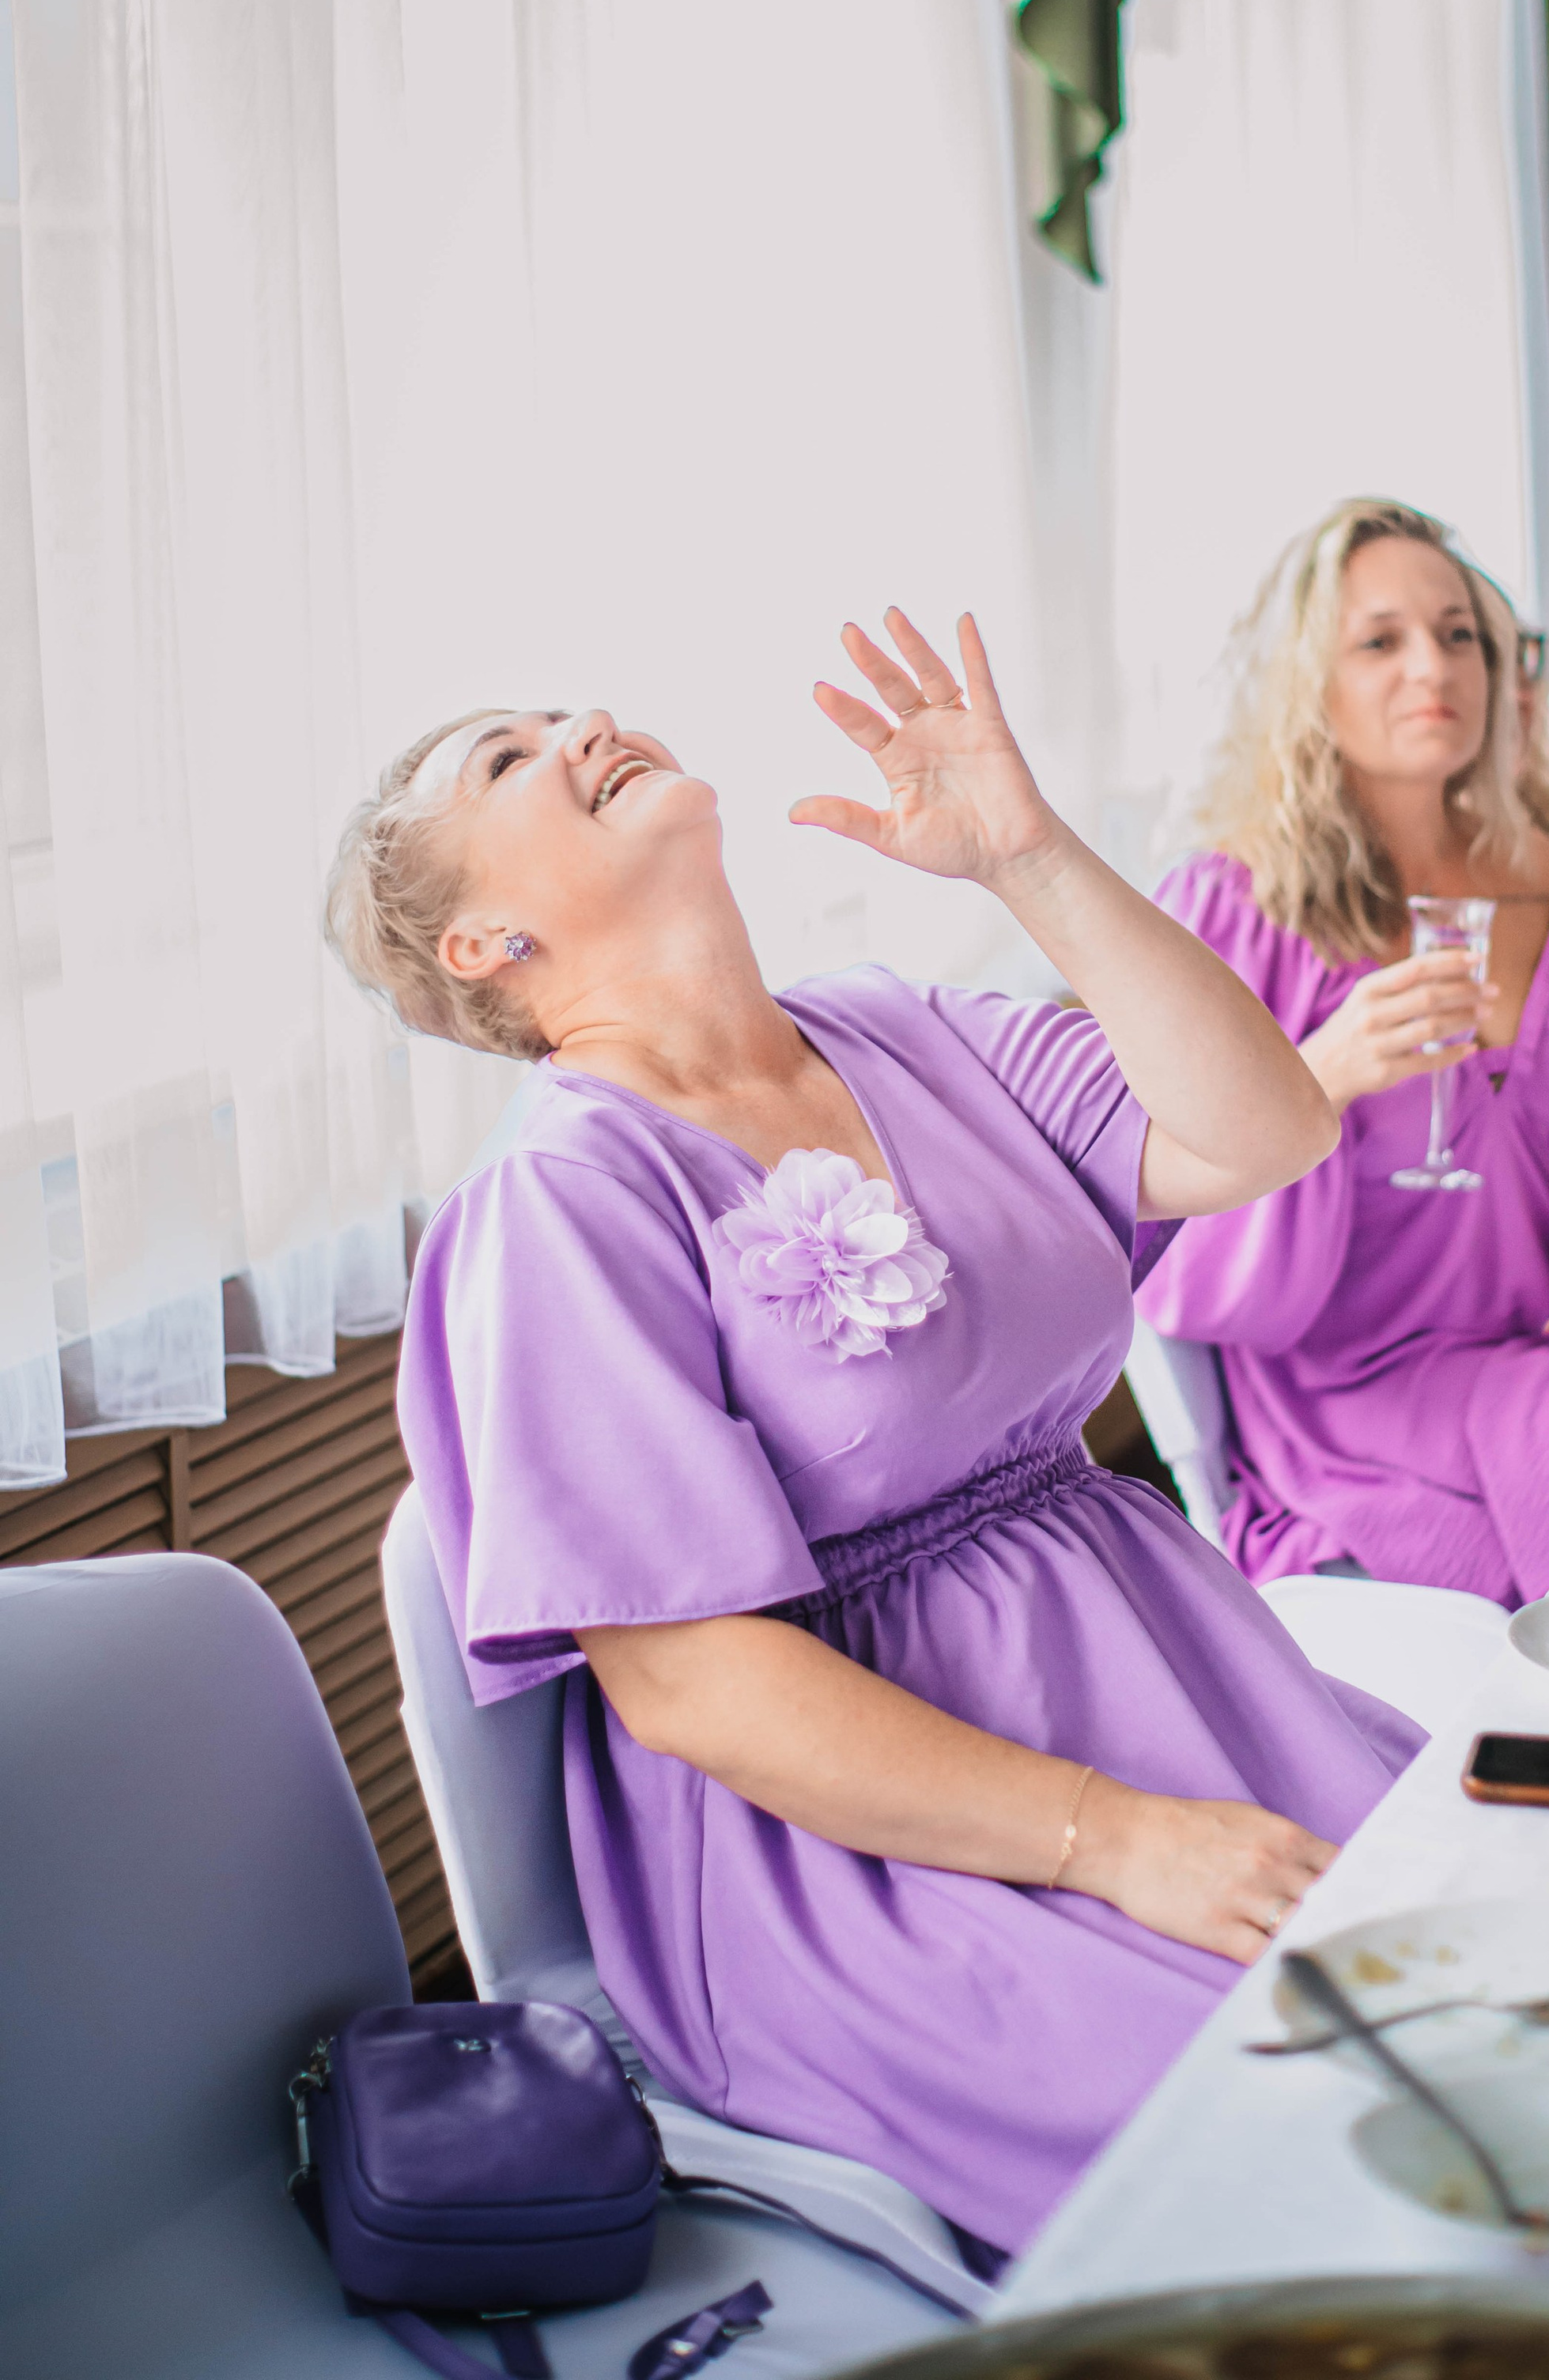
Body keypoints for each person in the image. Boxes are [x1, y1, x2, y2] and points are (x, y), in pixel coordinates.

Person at [323, 610, 1423, 2265]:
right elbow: (692, 1683)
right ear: (479, 944)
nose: (581, 726)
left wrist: (1029, 858)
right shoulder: (560, 1202)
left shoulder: (904, 1023)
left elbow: (1258, 1129)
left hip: (1174, 1684)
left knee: (1517, 1980)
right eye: (507, 756)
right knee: (1346, 2136)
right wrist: (1115, 1841)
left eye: (567, 709)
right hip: (860, 1851)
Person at [1139, 500, 1549, 1608]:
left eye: (1460, 633)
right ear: (1306, 682)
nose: (1434, 666)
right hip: (1363, 1391)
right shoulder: (1226, 912)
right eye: (1381, 640)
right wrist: (1319, 1077)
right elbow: (1163, 1239)